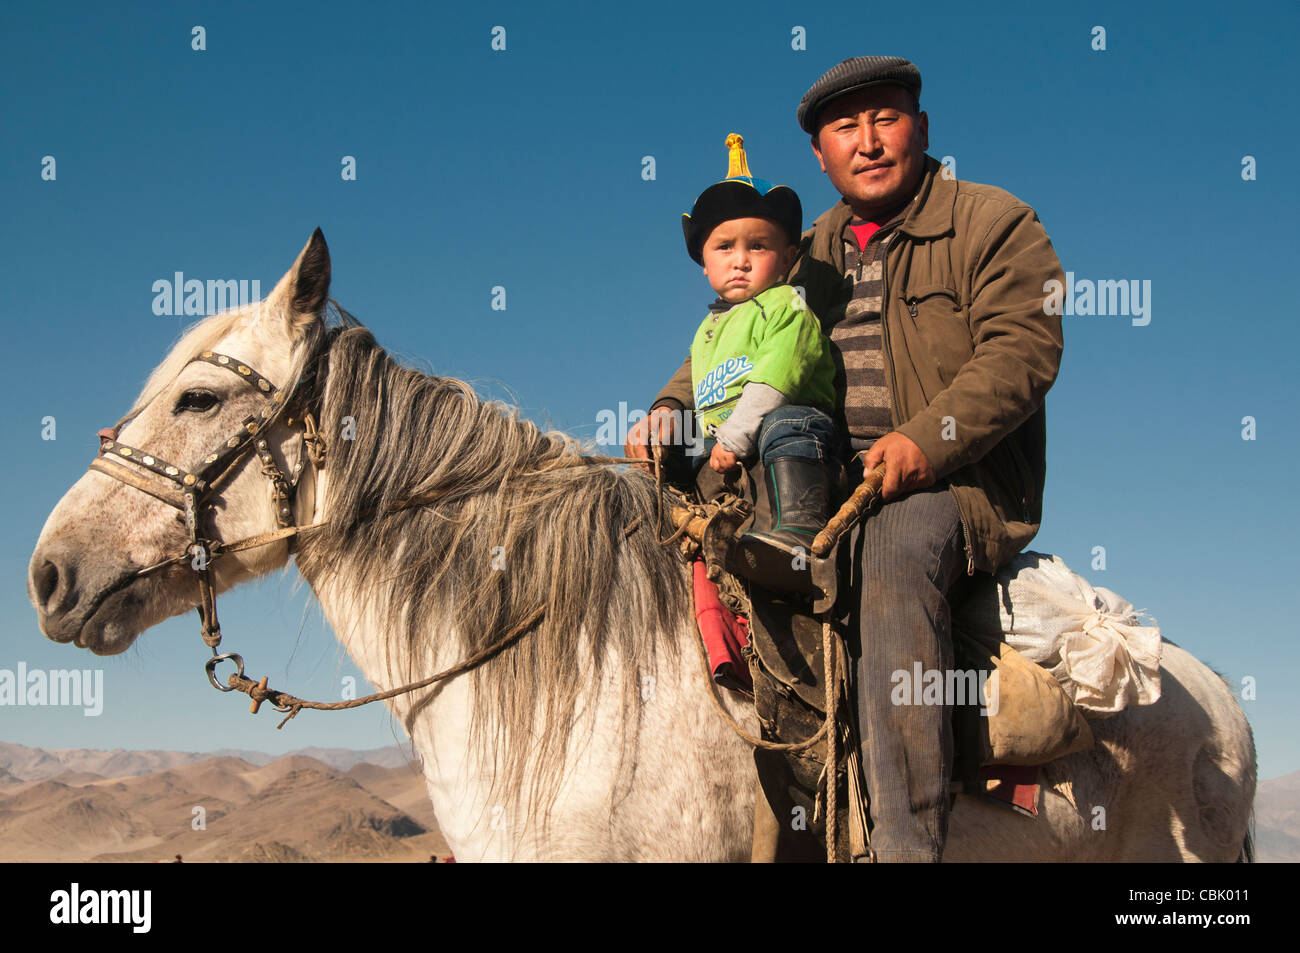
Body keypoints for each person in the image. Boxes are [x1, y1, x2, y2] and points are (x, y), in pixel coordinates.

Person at [627, 56, 1064, 861]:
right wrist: (667, 410)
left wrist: (923, 440)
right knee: (676, 536)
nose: (867, 142)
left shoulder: (993, 222)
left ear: (921, 129)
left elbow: (1022, 350)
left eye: (884, 118)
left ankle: (904, 844)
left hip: (950, 484)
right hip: (811, 471)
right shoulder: (804, 247)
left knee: (893, 558)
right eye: (843, 128)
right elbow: (736, 334)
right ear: (821, 156)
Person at [678, 134, 839, 595]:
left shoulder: (787, 305)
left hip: (791, 431)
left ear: (788, 258)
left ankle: (799, 535)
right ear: (704, 264)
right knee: (679, 453)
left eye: (759, 247)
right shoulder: (708, 329)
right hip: (730, 442)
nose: (741, 261)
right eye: (724, 247)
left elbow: (775, 380)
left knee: (784, 424)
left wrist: (731, 436)